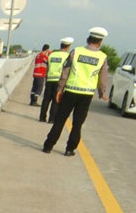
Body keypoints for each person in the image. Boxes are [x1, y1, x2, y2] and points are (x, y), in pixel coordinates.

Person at [42, 27, 110, 157]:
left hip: (71, 91)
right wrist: (102, 93)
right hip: (87, 95)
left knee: (60, 120)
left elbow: (65, 71)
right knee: (78, 123)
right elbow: (103, 78)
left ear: (88, 39)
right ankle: (69, 149)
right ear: (100, 42)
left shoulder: (76, 51)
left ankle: (48, 146)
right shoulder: (102, 57)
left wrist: (60, 89)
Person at [40, 37, 74, 123]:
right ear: (68, 46)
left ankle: (42, 117)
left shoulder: (52, 55)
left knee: (46, 99)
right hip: (59, 80)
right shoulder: (68, 56)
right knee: (56, 100)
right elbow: (68, 70)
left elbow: (47, 68)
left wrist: (46, 79)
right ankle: (52, 119)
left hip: (49, 80)